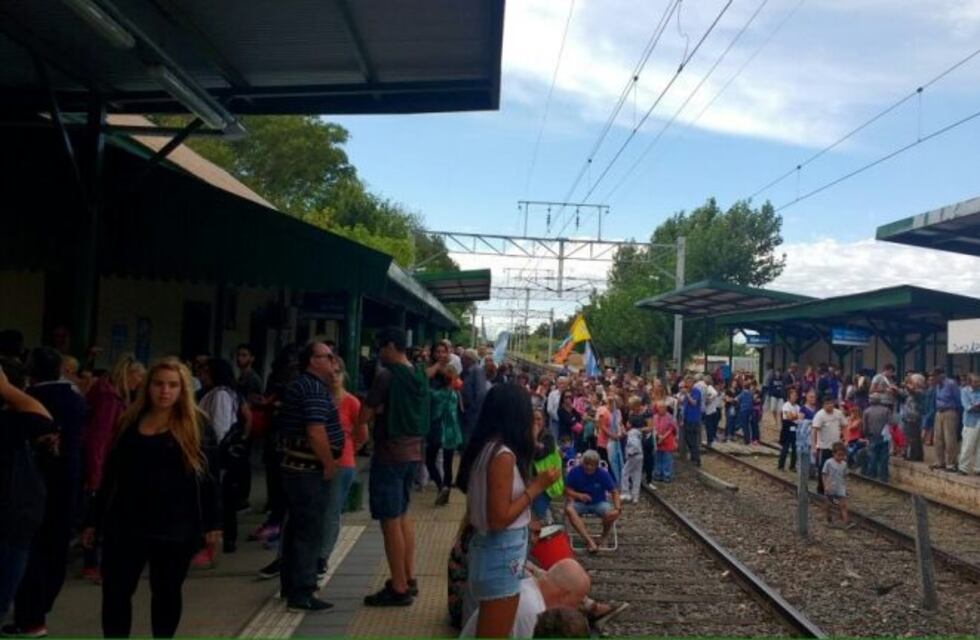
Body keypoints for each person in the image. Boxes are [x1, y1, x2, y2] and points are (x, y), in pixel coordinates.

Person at [82, 358, 221, 638]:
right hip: (126, 524)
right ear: (148, 386)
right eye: (159, 384)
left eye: (173, 385)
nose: (165, 391)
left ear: (183, 390)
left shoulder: (197, 426)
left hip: (175, 528)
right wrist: (93, 520)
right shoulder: (129, 421)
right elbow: (111, 476)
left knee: (166, 593)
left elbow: (209, 481)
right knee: (116, 593)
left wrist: (212, 525)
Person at [456, 383, 558, 637]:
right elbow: (499, 518)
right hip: (500, 555)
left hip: (495, 553)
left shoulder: (488, 448)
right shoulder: (502, 456)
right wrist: (536, 487)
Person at [5, 349, 87, 637]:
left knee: (31, 553)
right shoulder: (76, 399)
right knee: (54, 549)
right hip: (68, 482)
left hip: (30, 489)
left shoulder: (32, 404)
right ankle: (38, 614)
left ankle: (30, 614)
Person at [362, 328, 430, 607]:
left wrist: (375, 413)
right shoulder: (417, 374)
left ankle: (399, 587)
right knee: (403, 515)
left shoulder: (387, 375)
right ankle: (409, 576)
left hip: (389, 454)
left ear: (392, 346)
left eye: (381, 346)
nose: (380, 352)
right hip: (414, 453)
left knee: (389, 521)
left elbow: (364, 413)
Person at [277, 341, 344, 612]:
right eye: (327, 357)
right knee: (309, 530)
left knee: (296, 528)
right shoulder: (314, 389)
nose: (333, 362)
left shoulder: (301, 385)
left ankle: (290, 585)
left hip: (295, 469)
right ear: (313, 361)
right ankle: (302, 592)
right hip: (307, 470)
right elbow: (316, 432)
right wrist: (328, 464)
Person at [81, 353, 145, 583]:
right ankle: (92, 564)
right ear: (129, 374)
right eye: (139, 377)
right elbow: (100, 439)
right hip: (103, 463)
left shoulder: (106, 392)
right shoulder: (111, 399)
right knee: (98, 513)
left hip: (102, 461)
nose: (140, 383)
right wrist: (97, 474)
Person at [0, 362, 54, 622]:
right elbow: (41, 417)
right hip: (12, 522)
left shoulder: (11, 422)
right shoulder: (11, 423)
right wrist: (6, 388)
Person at [198, 358, 251, 557]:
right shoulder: (225, 393)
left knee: (221, 498)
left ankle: (224, 538)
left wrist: (211, 453)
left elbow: (220, 427)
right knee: (224, 497)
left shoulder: (220, 395)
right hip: (220, 454)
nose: (201, 376)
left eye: (204, 371)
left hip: (217, 454)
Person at [319, 356, 366, 579]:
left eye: (338, 372)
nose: (334, 376)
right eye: (330, 372)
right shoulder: (319, 399)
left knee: (331, 512)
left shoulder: (352, 403)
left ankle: (323, 556)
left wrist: (349, 448)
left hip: (343, 462)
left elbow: (362, 434)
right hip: (317, 460)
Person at [460, 559, 591, 638]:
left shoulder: (528, 586)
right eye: (577, 602)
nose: (576, 609)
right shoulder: (532, 611)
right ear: (564, 595)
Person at [425, 342, 463, 507]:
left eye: (443, 352)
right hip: (442, 423)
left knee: (440, 459)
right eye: (437, 351)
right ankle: (443, 488)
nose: (440, 354)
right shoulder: (431, 369)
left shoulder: (448, 370)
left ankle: (443, 487)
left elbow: (457, 384)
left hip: (444, 422)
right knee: (436, 460)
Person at [563, 450, 621, 554]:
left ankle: (603, 537)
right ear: (582, 462)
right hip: (580, 503)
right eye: (586, 464)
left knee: (610, 512)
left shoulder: (602, 473)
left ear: (596, 465)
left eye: (592, 465)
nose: (589, 467)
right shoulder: (575, 472)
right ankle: (589, 541)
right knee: (569, 509)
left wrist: (617, 508)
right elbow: (566, 490)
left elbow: (614, 491)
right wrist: (578, 495)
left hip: (599, 503)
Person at [812, 396, 846, 494]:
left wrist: (845, 440)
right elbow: (814, 431)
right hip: (823, 446)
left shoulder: (838, 413)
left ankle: (836, 489)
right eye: (827, 404)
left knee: (836, 468)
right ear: (823, 405)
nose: (829, 405)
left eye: (831, 403)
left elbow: (844, 426)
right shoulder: (820, 415)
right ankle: (821, 489)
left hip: (836, 446)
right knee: (823, 468)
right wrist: (814, 446)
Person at [930, 368, 962, 472]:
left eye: (934, 376)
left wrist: (957, 412)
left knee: (950, 438)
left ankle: (951, 463)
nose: (932, 379)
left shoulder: (951, 384)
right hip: (939, 412)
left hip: (950, 411)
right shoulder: (937, 386)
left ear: (941, 375)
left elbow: (958, 399)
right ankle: (940, 461)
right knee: (937, 438)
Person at [821, 442, 851, 528]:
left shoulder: (844, 464)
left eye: (843, 455)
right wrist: (825, 485)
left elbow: (845, 476)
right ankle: (829, 519)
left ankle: (846, 522)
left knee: (843, 505)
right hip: (830, 486)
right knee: (828, 505)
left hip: (840, 487)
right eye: (839, 455)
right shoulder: (828, 462)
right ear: (833, 454)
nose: (841, 457)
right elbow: (824, 474)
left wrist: (845, 486)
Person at [461, 349, 488, 445]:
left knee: (469, 438)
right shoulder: (468, 371)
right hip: (468, 411)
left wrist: (473, 408)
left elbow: (481, 393)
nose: (461, 361)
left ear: (469, 359)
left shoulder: (477, 371)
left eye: (463, 359)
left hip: (473, 413)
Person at [899, 373, 927, 462]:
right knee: (910, 437)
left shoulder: (920, 391)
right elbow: (904, 394)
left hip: (914, 417)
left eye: (913, 381)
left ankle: (914, 455)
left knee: (913, 437)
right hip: (908, 416)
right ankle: (913, 454)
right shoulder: (910, 392)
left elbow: (912, 391)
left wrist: (907, 384)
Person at [862, 398, 891, 482]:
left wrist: (866, 435)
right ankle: (883, 476)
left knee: (873, 455)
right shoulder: (886, 410)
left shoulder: (867, 411)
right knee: (884, 456)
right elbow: (891, 422)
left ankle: (872, 474)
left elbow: (865, 426)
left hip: (872, 436)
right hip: (884, 436)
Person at [957, 373, 980, 475]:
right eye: (975, 382)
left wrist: (975, 406)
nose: (977, 383)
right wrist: (974, 406)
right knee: (968, 445)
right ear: (969, 382)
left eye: (978, 381)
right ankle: (963, 468)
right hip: (970, 422)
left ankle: (978, 468)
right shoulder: (964, 391)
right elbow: (968, 407)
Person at [678, 376, 702, 466]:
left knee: (693, 439)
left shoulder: (696, 392)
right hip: (686, 418)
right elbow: (682, 404)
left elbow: (694, 403)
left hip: (694, 418)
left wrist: (687, 394)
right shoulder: (686, 392)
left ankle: (696, 458)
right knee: (688, 439)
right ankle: (694, 456)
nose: (688, 384)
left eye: (690, 382)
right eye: (687, 382)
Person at [619, 418, 643, 503]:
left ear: (631, 424)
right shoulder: (636, 432)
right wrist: (622, 427)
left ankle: (626, 493)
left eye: (628, 423)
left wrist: (630, 452)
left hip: (633, 455)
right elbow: (627, 434)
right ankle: (635, 496)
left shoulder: (632, 434)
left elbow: (633, 443)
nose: (626, 424)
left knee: (625, 472)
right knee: (637, 475)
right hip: (640, 455)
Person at [777, 388, 800, 472]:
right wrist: (796, 416)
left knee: (795, 448)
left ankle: (792, 466)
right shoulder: (786, 405)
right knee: (785, 448)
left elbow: (800, 417)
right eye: (793, 395)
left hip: (795, 428)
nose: (795, 397)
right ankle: (781, 465)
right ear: (789, 396)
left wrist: (794, 416)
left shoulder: (797, 407)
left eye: (796, 396)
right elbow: (789, 417)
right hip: (787, 427)